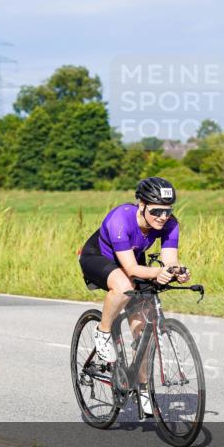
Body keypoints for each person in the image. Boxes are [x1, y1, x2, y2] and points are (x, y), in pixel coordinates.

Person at [78, 177, 191, 414]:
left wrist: (175, 272)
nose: (163, 216)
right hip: (98, 258)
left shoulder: (170, 224)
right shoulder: (121, 219)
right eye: (156, 210)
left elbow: (169, 261)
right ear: (141, 204)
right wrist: (158, 272)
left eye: (168, 211)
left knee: (143, 330)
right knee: (123, 284)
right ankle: (103, 332)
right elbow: (130, 270)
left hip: (130, 257)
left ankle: (142, 388)